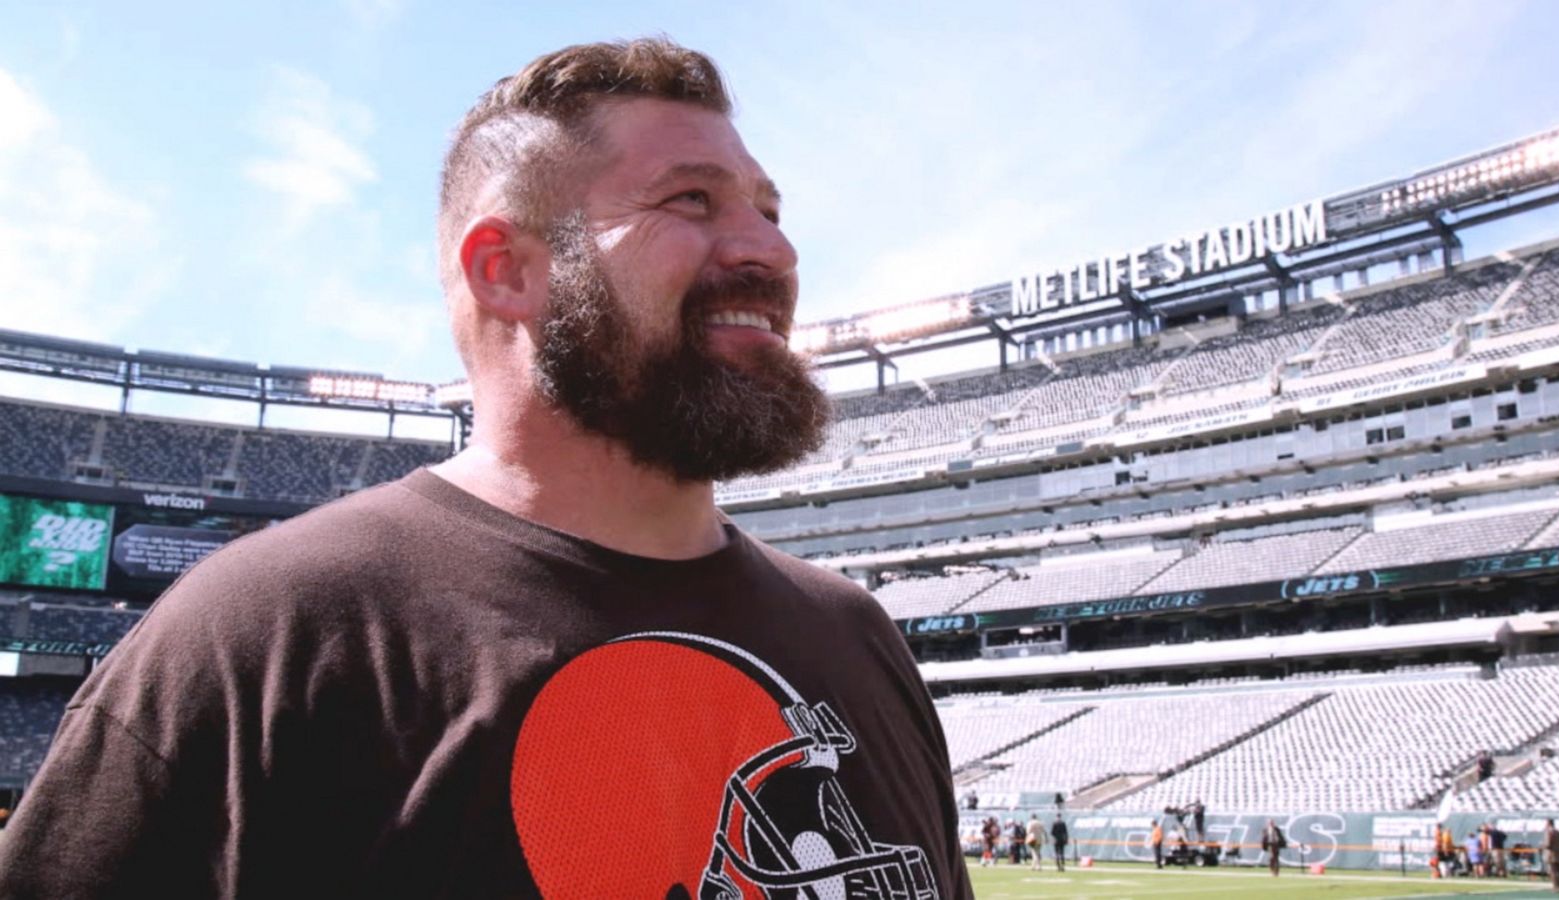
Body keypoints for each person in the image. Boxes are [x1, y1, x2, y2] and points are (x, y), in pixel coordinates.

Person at [0, 38, 972, 899]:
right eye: (692, 200)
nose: (772, 246)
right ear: (505, 270)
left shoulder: (853, 634)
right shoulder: (268, 634)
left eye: (766, 208)